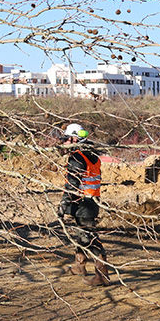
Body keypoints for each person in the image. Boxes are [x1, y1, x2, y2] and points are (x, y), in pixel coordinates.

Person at [56, 123, 108, 286]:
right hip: (91, 201)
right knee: (81, 235)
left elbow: (73, 183)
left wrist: (64, 204)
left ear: (74, 138)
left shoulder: (77, 157)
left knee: (89, 239)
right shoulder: (92, 155)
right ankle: (80, 267)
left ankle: (102, 276)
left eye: (66, 139)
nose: (64, 143)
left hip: (83, 204)